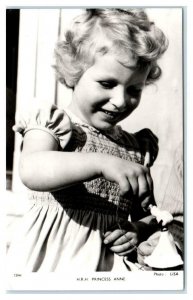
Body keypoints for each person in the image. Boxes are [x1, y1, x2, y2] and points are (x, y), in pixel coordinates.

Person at [7, 8, 168, 272]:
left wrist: (137, 230)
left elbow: (147, 213)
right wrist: (99, 162)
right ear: (75, 72)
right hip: (50, 265)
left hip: (104, 271)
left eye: (134, 90)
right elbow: (32, 170)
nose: (120, 100)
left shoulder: (136, 147)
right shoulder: (53, 123)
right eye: (107, 84)